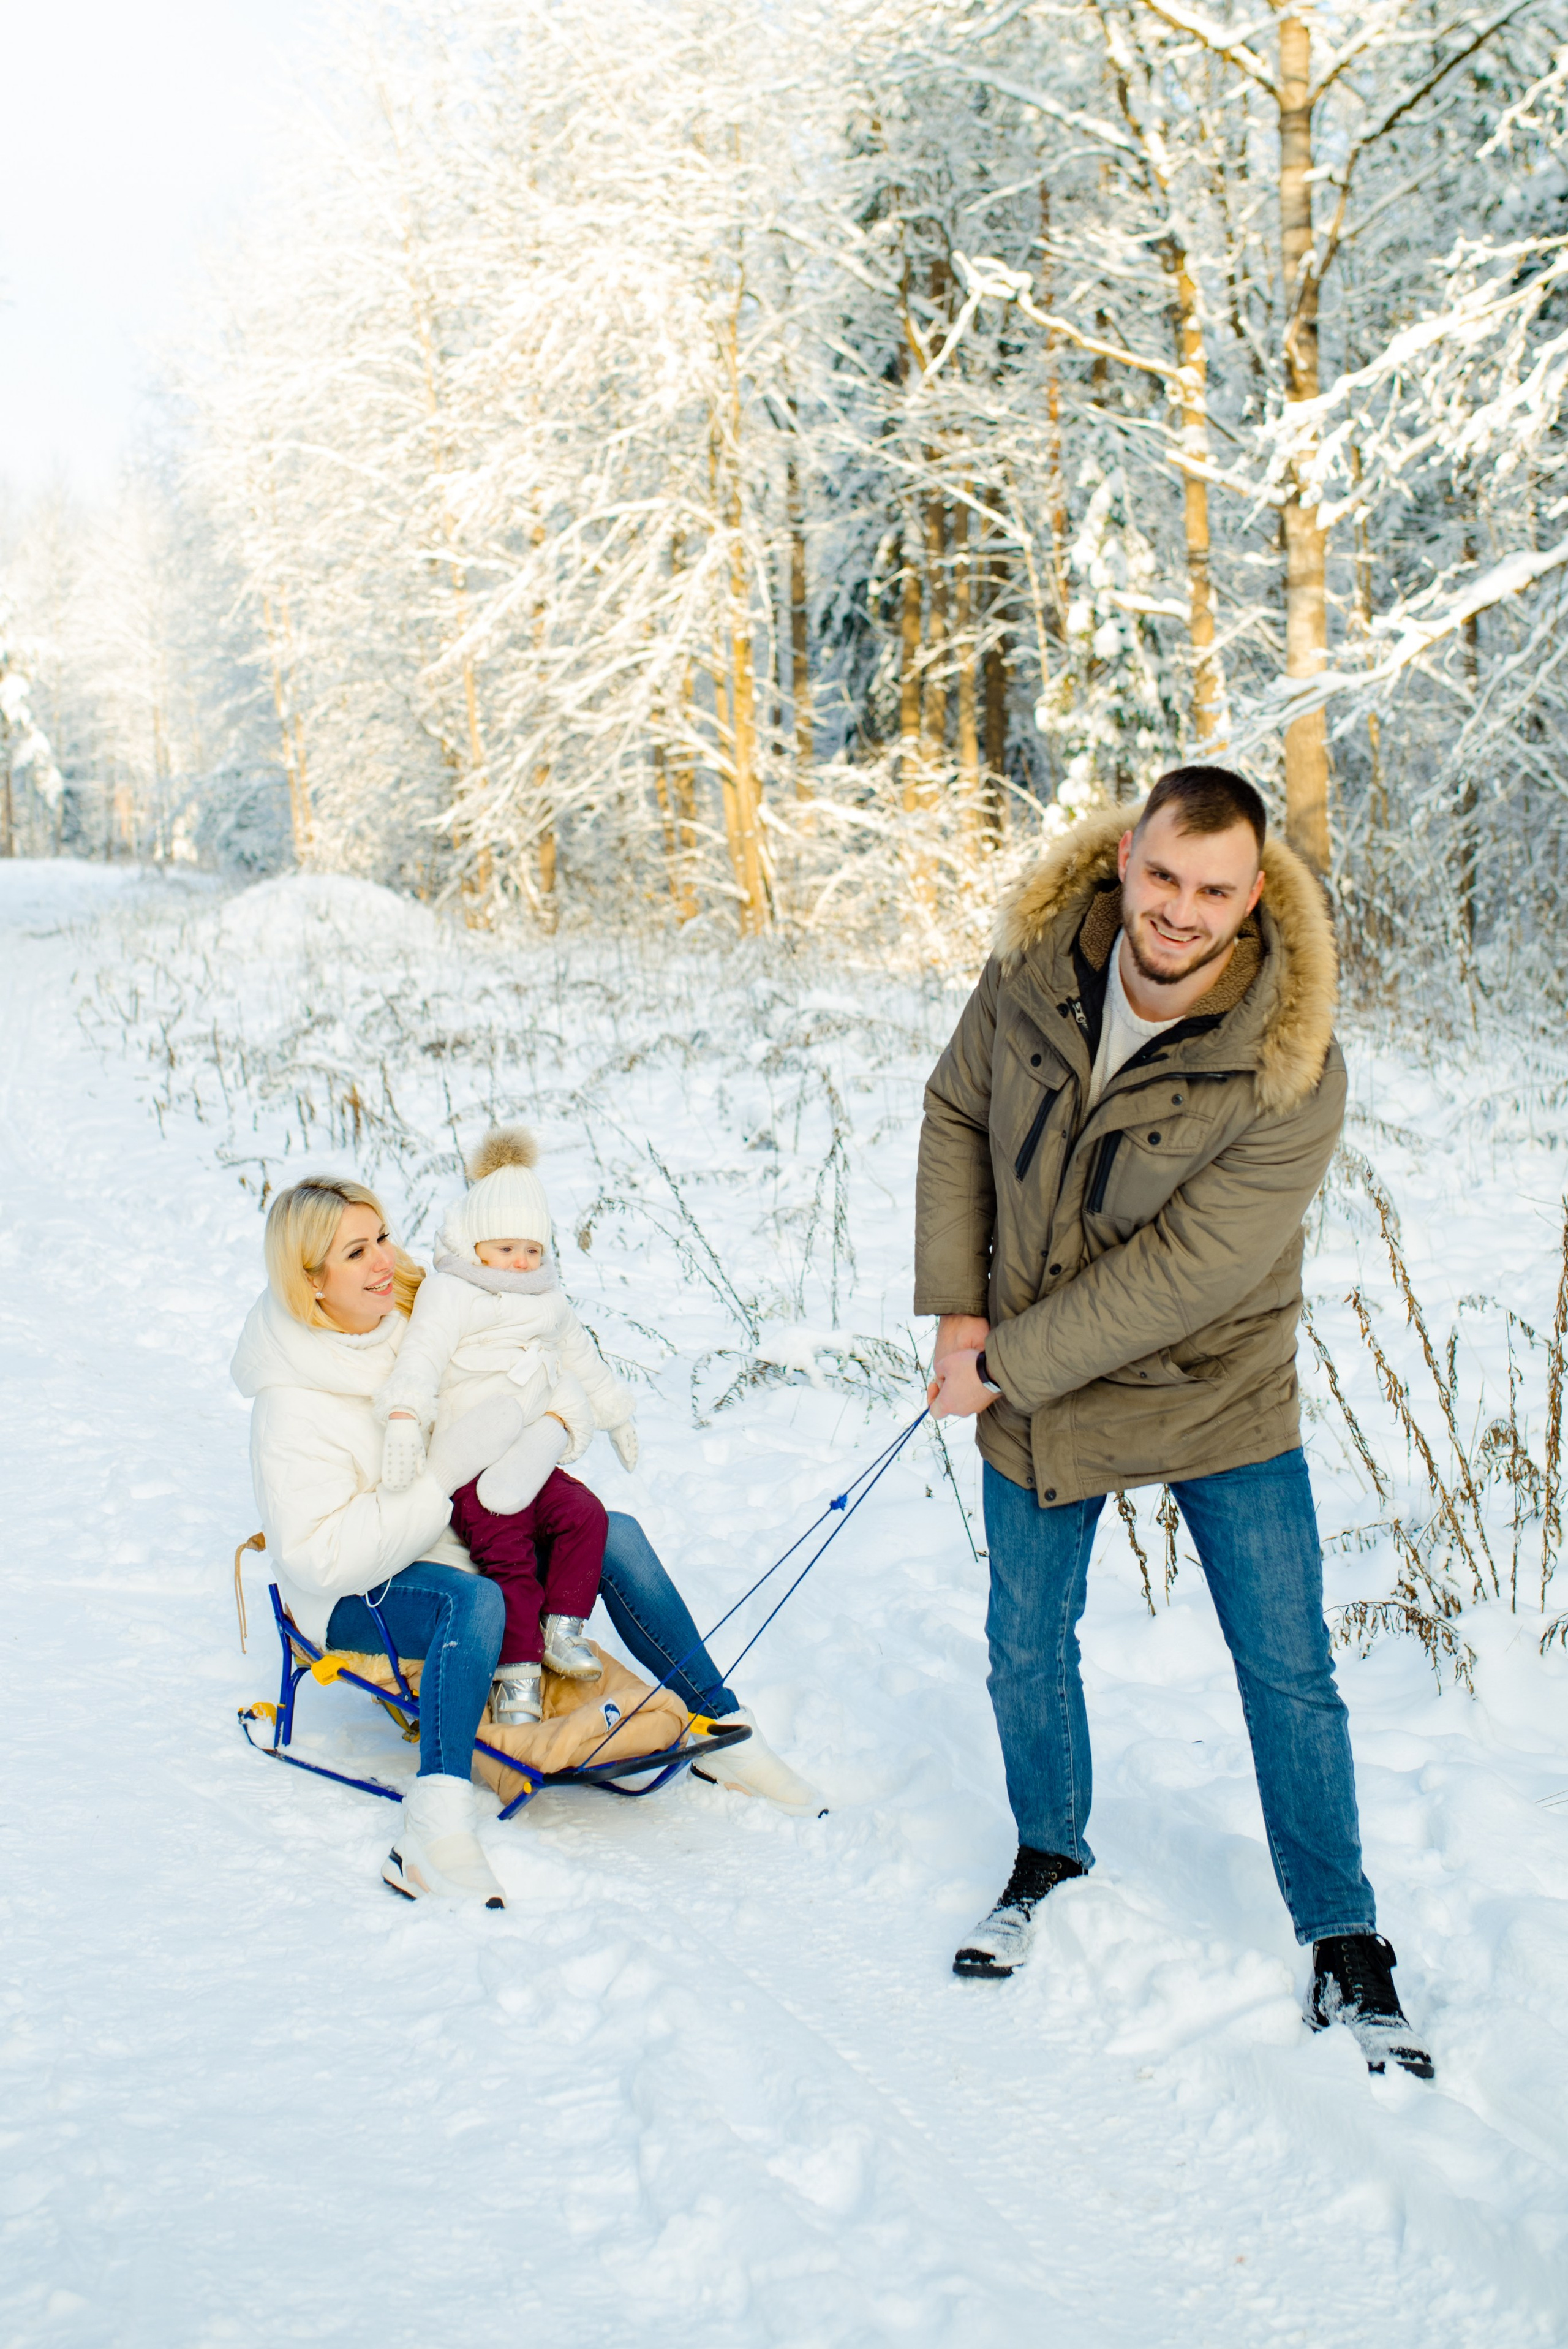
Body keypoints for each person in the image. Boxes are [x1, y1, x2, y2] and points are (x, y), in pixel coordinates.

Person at [916, 765, 1433, 2079]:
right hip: (1032, 1376)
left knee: (1286, 1665)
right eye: (1161, 875)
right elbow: (957, 1109)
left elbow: (1186, 1273)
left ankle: (1341, 1928)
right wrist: (957, 1311)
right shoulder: (1033, 969)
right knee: (1024, 1641)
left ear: (1252, 896)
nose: (1179, 910)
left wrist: (1004, 1359)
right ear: (1123, 862)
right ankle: (1048, 1849)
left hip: (1213, 1389)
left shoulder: (1289, 1061)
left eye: (1212, 888)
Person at [232, 1179, 825, 1907]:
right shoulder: (292, 1403)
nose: (384, 1260)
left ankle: (721, 1721)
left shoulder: (416, 1314)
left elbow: (522, 1373)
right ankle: (434, 1826)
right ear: (312, 1281)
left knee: (614, 1532)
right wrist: (441, 1478)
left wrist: (557, 1421)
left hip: (457, 1532)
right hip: (354, 1593)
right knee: (475, 1600)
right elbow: (318, 1559)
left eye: (381, 1236)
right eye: (356, 1253)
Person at [376, 1127, 635, 1727]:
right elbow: (421, 1356)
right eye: (505, 1248)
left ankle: (562, 1628)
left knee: (585, 1515)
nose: (521, 1262)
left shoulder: (550, 1300)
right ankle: (516, 1674)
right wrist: (405, 1414)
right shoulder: (451, 1293)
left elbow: (582, 1360)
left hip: (532, 1454)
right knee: (508, 1556)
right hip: (472, 1460)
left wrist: (616, 1413)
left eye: (532, 1250)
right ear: (474, 1244)